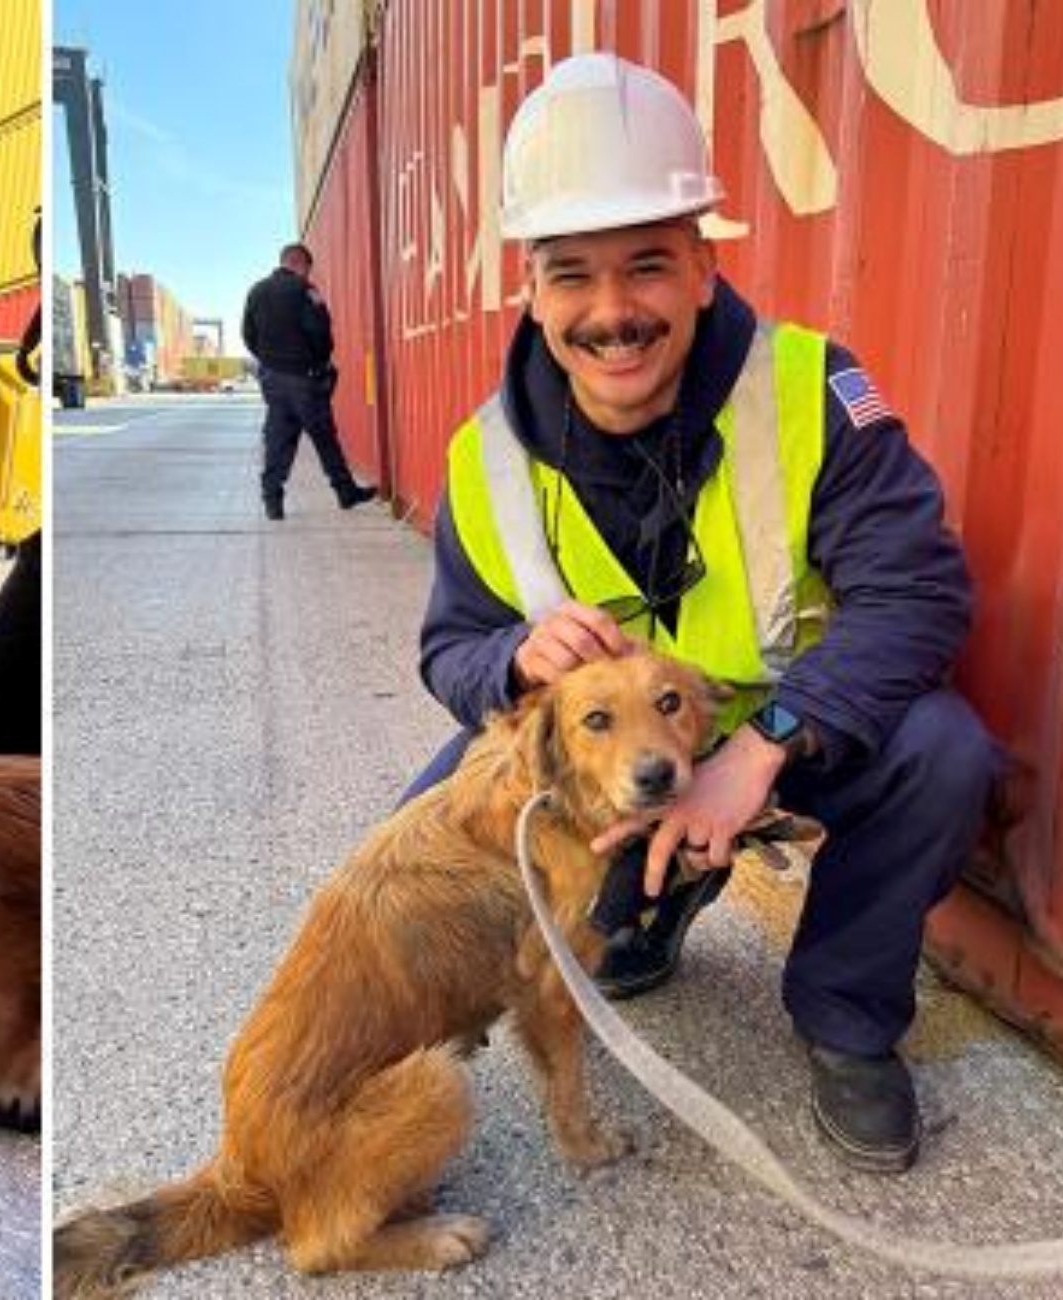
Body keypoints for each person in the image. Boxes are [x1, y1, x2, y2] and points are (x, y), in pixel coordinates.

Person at [408, 53, 998, 1174]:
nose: (613, 311)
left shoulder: (809, 393)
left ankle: (846, 1015)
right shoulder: (483, 460)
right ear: (532, 291)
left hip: (793, 732)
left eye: (647, 266)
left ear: (703, 270)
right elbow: (450, 646)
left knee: (943, 750)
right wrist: (509, 657)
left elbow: (917, 592)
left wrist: (762, 747)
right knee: (429, 819)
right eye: (572, 275)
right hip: (613, 753)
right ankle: (644, 902)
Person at [239, 243, 375, 520]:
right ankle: (345, 492)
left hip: (272, 380)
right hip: (304, 378)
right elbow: (321, 331)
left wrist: (269, 360)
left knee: (278, 438)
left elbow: (247, 333)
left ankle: (272, 501)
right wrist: (319, 361)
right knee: (325, 437)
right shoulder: (305, 290)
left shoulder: (256, 290)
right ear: (302, 264)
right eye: (307, 268)